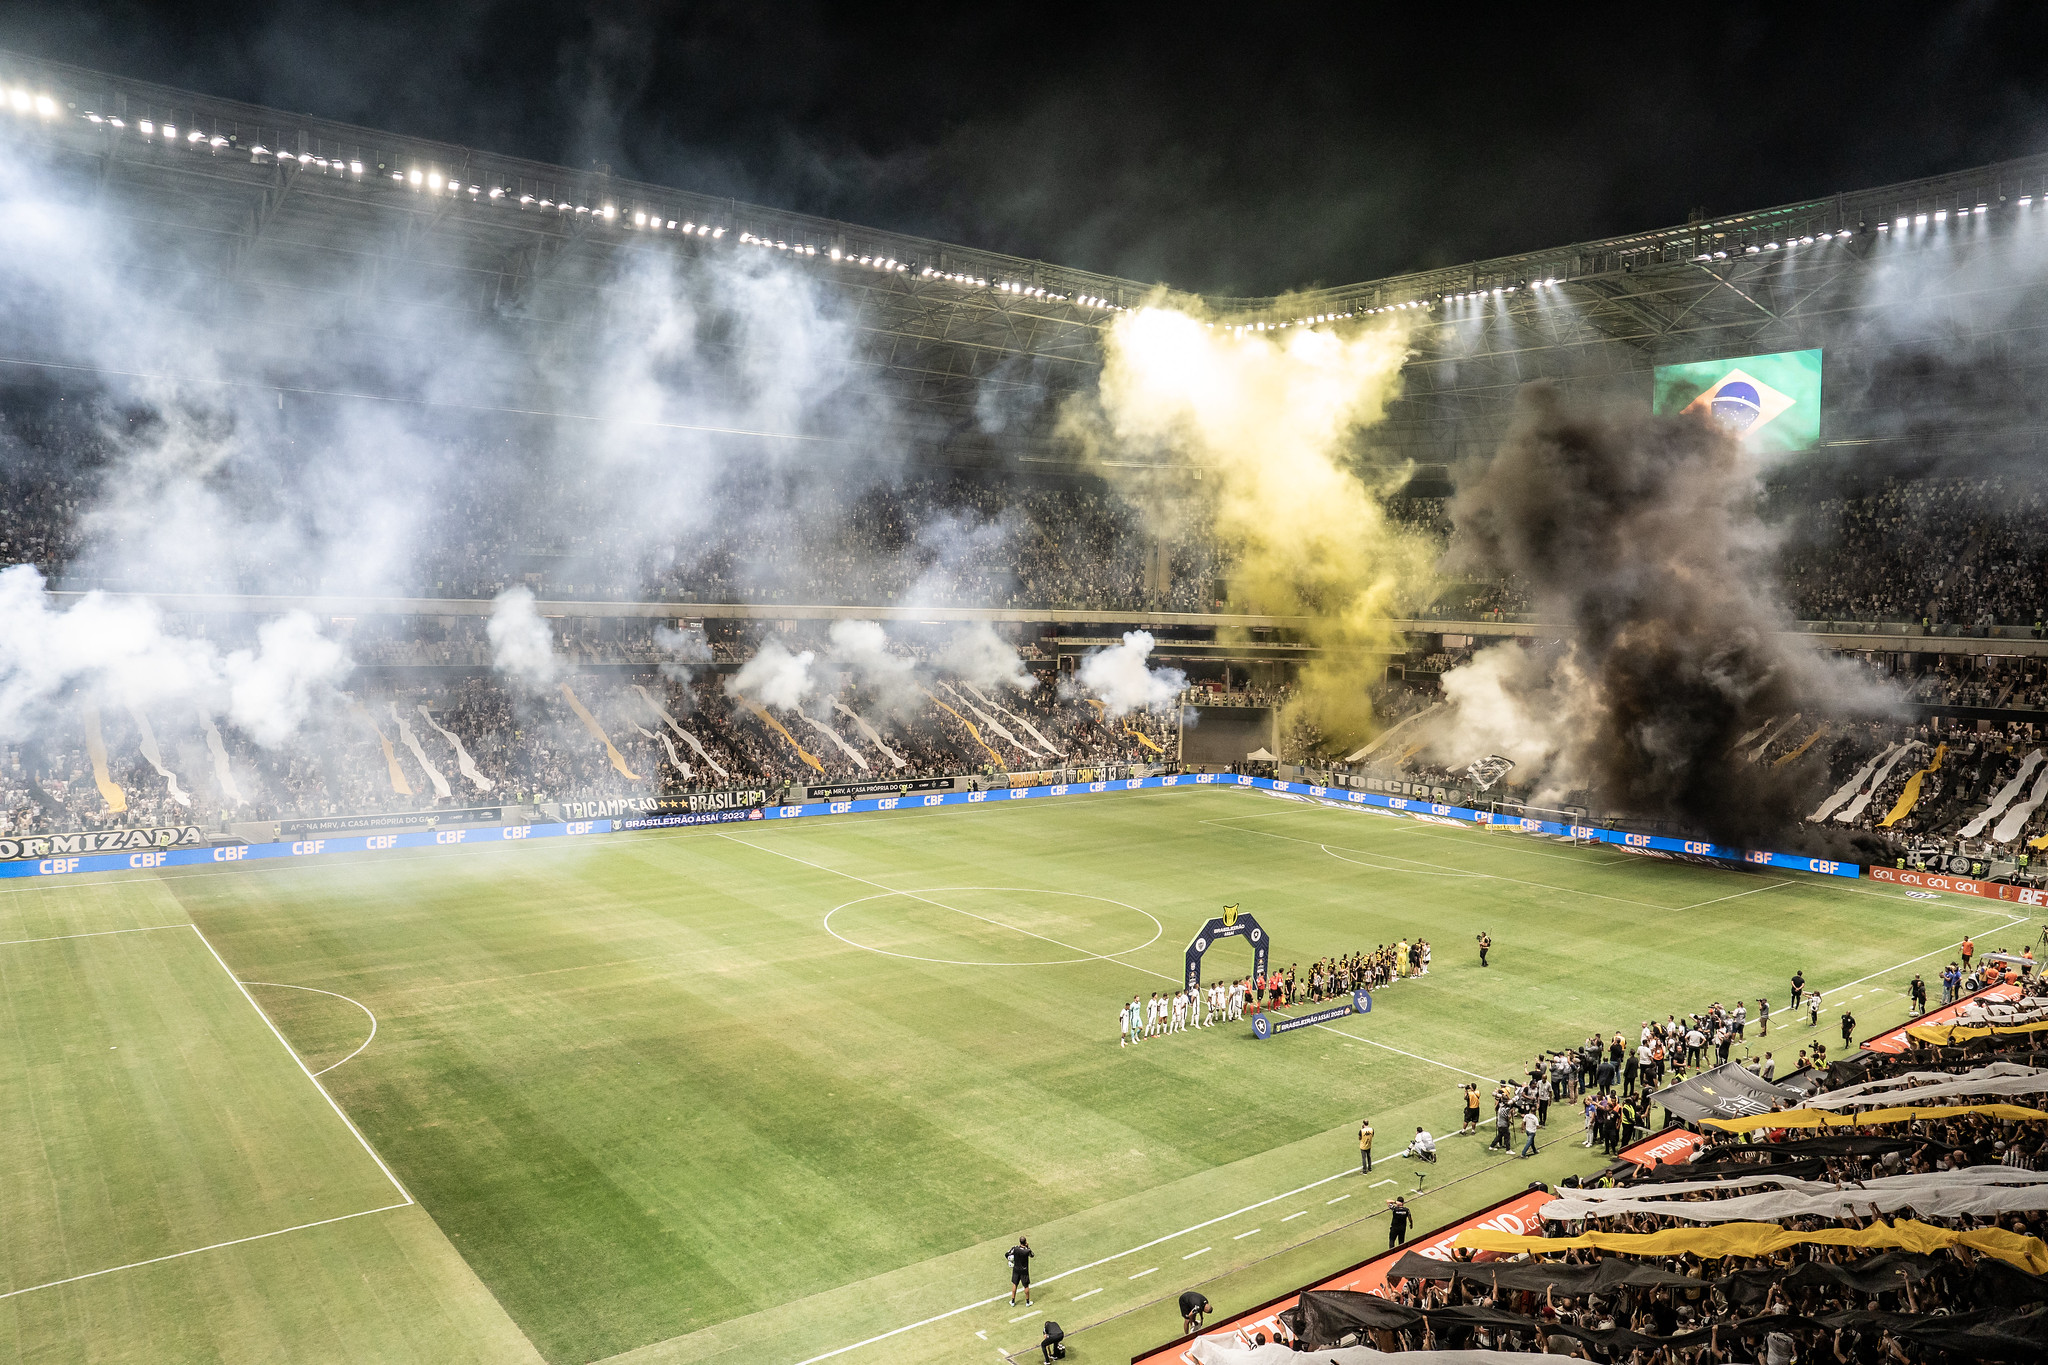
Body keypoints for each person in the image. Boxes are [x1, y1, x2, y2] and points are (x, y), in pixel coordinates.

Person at [1007, 1236, 1034, 1306]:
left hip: (1016, 1269)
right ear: (1025, 1242)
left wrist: (1010, 1260)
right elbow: (1032, 1255)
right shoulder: (1026, 1251)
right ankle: (1027, 1302)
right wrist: (1028, 1247)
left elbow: (1007, 1254)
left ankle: (1012, 1301)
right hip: (1024, 1271)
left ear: (1020, 1242)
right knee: (1026, 1286)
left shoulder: (1015, 1248)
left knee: (1015, 1284)